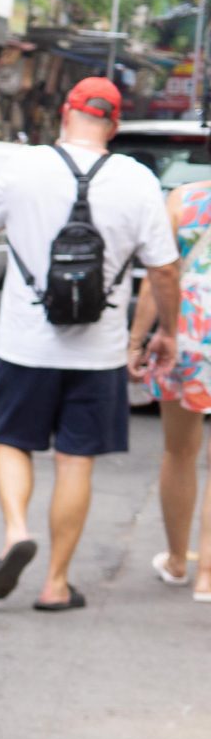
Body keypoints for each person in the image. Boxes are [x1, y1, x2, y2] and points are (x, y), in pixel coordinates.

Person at [0, 77, 180, 612]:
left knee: (11, 440)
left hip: (24, 344)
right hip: (99, 351)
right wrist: (165, 332)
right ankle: (56, 584)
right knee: (75, 461)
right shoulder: (137, 181)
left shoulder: (24, 166)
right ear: (113, 126)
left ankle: (15, 531)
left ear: (65, 114)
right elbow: (164, 269)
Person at [127, 179, 211, 600]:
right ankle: (208, 576)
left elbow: (158, 276)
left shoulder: (183, 199)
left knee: (179, 451)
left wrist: (137, 340)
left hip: (190, 331)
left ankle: (179, 561)